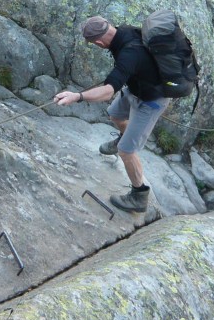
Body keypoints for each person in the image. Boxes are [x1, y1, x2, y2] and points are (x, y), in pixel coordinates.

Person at [53, 16, 170, 214]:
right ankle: (123, 137)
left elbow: (108, 91)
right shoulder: (123, 31)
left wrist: (77, 96)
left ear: (99, 42)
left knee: (126, 151)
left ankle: (139, 195)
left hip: (151, 100)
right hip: (136, 88)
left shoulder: (129, 54)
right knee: (115, 114)